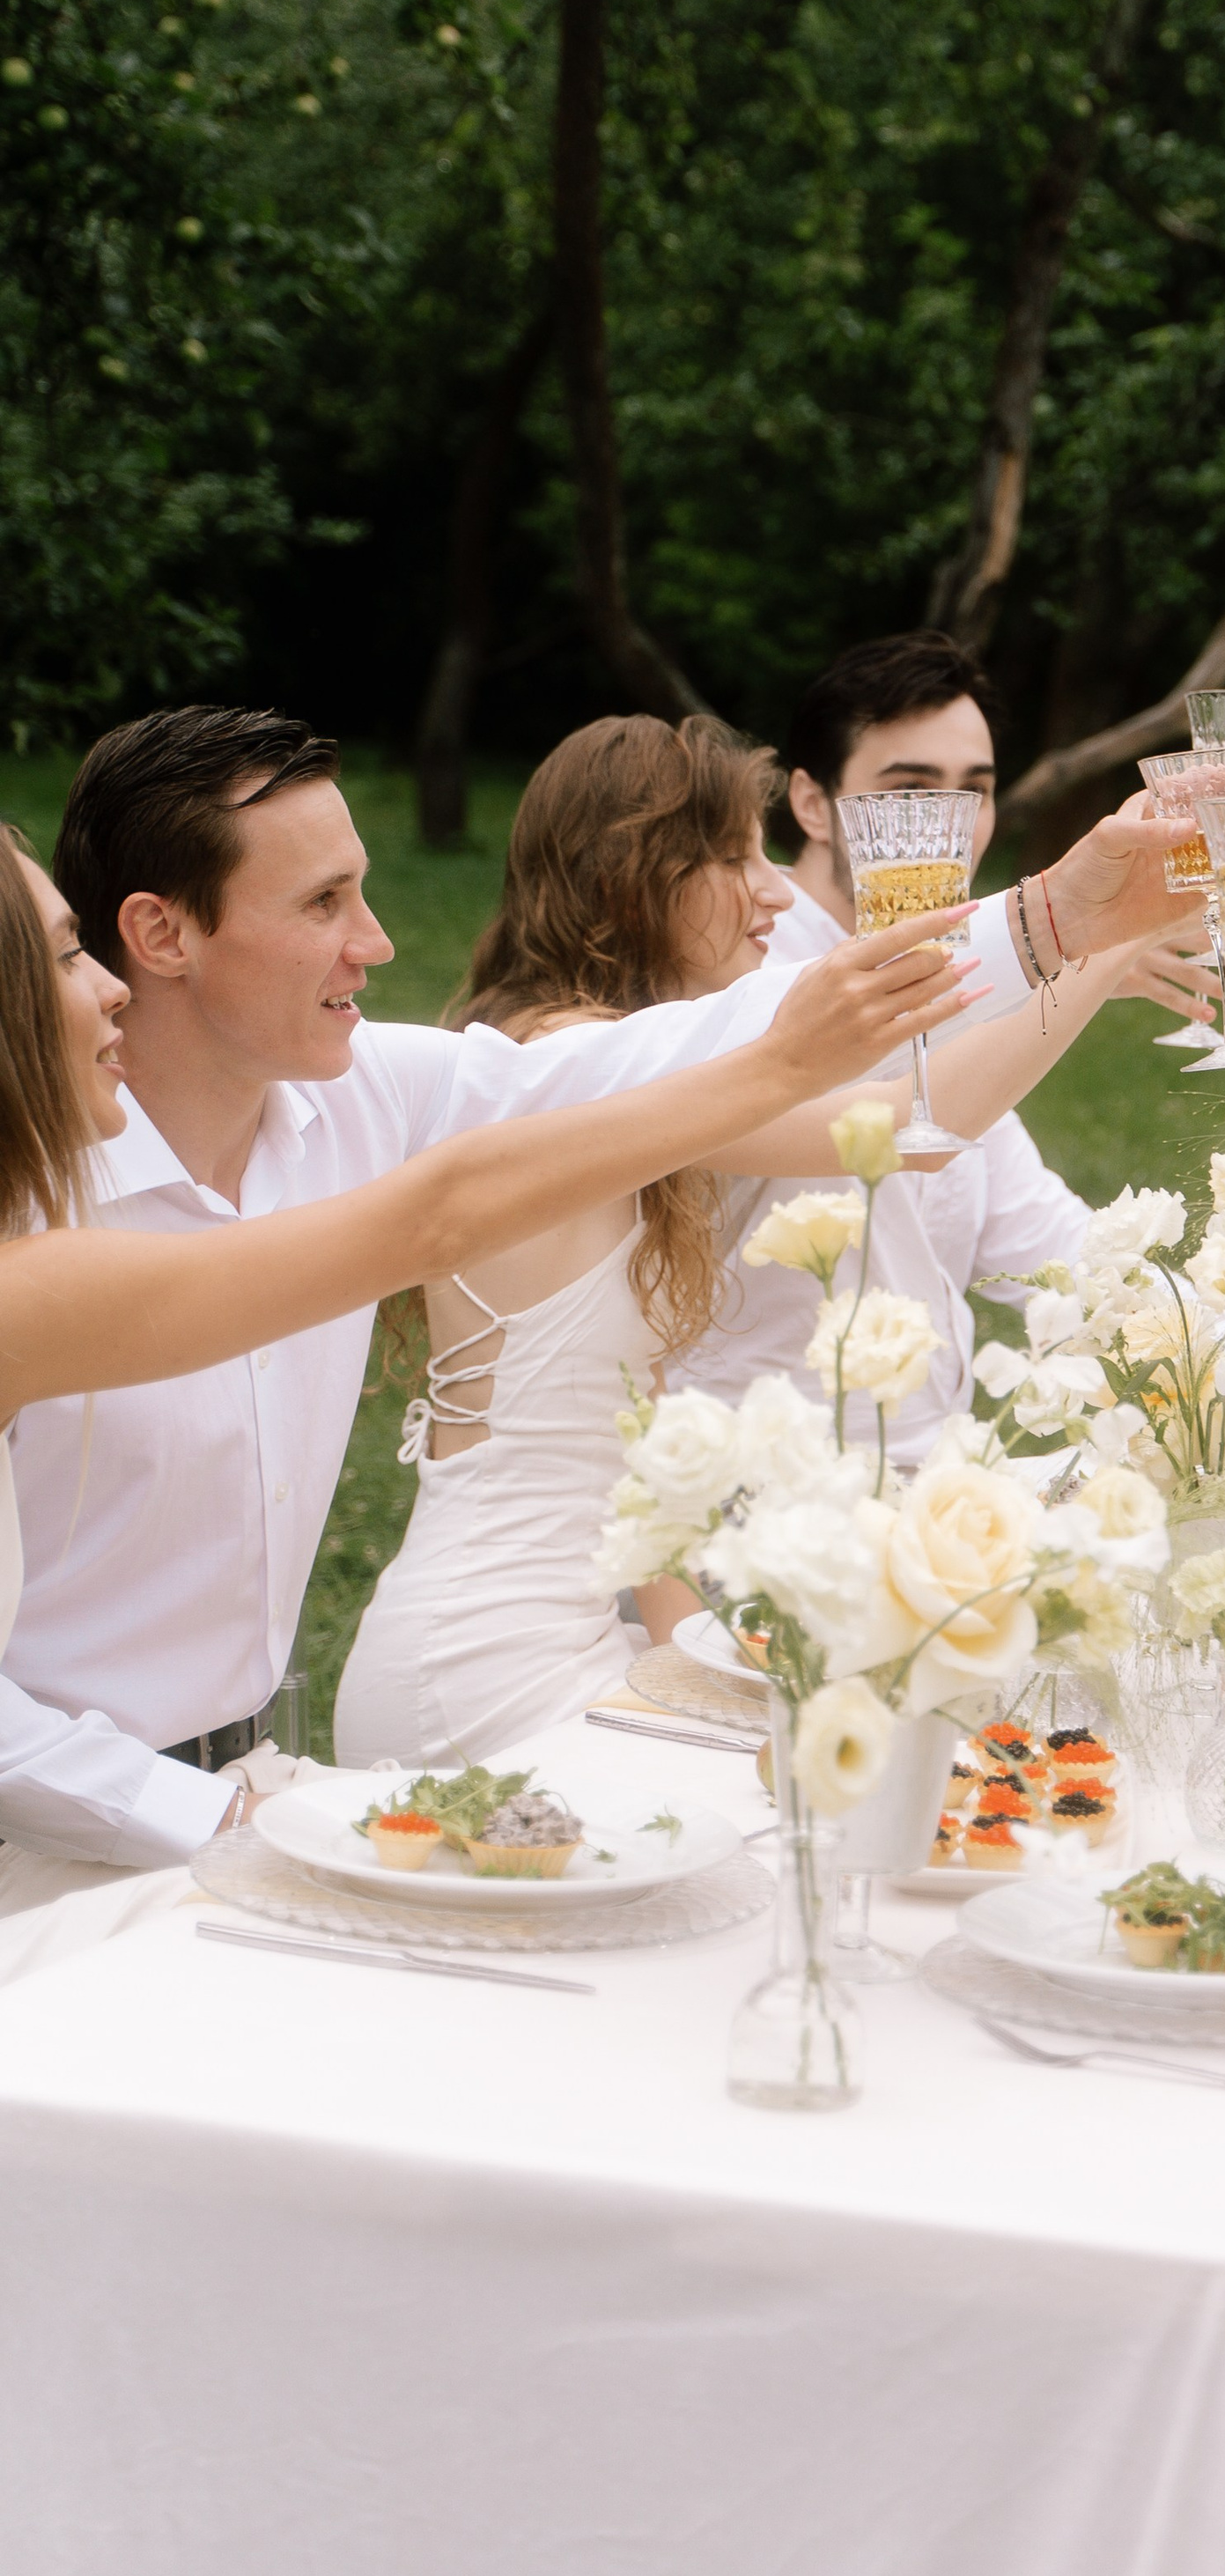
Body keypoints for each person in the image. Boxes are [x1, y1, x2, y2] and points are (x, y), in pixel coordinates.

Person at [4, 704, 1174, 1878]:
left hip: (252, 1786)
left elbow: (682, 1058)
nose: (377, 940)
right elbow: (452, 1206)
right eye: (321, 904)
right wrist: (205, 1818)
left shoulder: (370, 1093)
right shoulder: (30, 1235)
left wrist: (1052, 921)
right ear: (160, 933)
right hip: (53, 1848)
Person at [0, 823, 969, 1969]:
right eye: (65, 956)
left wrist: (1070, 928)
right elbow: (434, 1216)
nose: (111, 989)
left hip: (211, 1790)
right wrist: (777, 1063)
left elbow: (517, 1130)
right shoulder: (36, 1286)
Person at [332, 713, 1140, 1766]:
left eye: (763, 852)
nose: (771, 890)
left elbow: (636, 1444)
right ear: (628, 877)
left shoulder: (622, 1070)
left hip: (565, 1636)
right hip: (484, 1664)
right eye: (726, 857)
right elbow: (901, 1131)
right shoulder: (577, 1059)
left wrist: (693, 1659)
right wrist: (1096, 939)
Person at [674, 630, 1207, 1445]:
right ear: (813, 805)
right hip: (752, 1491)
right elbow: (900, 1111)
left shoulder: (959, 989)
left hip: (930, 1485)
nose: (948, 826)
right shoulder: (730, 966)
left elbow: (1048, 1248)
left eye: (974, 792)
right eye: (910, 790)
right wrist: (1096, 939)